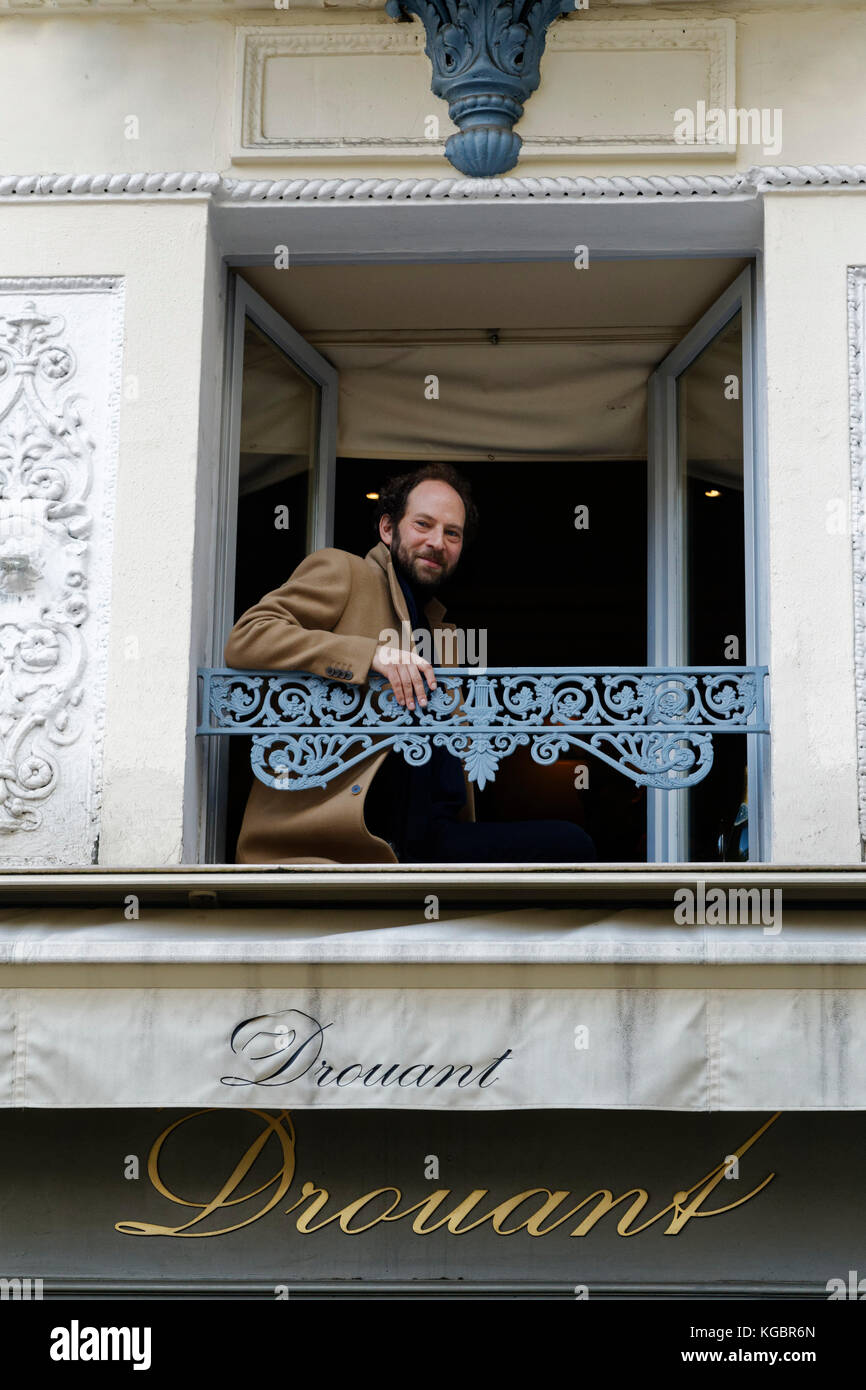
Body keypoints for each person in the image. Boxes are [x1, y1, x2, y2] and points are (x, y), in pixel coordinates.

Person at [223, 462, 596, 865]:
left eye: (452, 533)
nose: (438, 541)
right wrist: (369, 655)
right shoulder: (344, 570)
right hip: (353, 835)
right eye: (423, 524)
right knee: (571, 845)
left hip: (431, 838)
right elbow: (249, 636)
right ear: (387, 529)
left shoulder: (440, 628)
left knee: (570, 843)